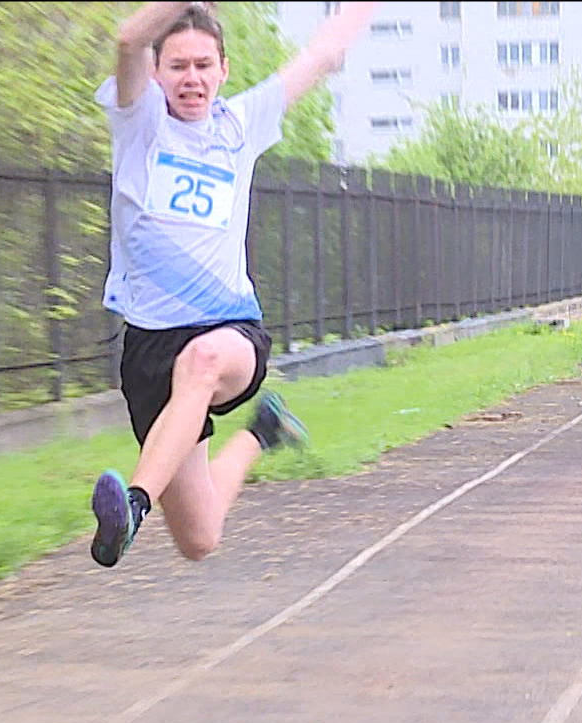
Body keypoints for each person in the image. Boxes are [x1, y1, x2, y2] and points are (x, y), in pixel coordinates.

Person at [89, 1, 373, 568]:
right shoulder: (139, 122)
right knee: (200, 538)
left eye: (202, 65)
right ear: (156, 73)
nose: (191, 78)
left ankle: (134, 505)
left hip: (228, 331)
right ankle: (263, 432)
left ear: (223, 69)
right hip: (149, 347)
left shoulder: (241, 124)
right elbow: (127, 40)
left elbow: (322, 53)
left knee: (202, 362)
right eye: (177, 66)